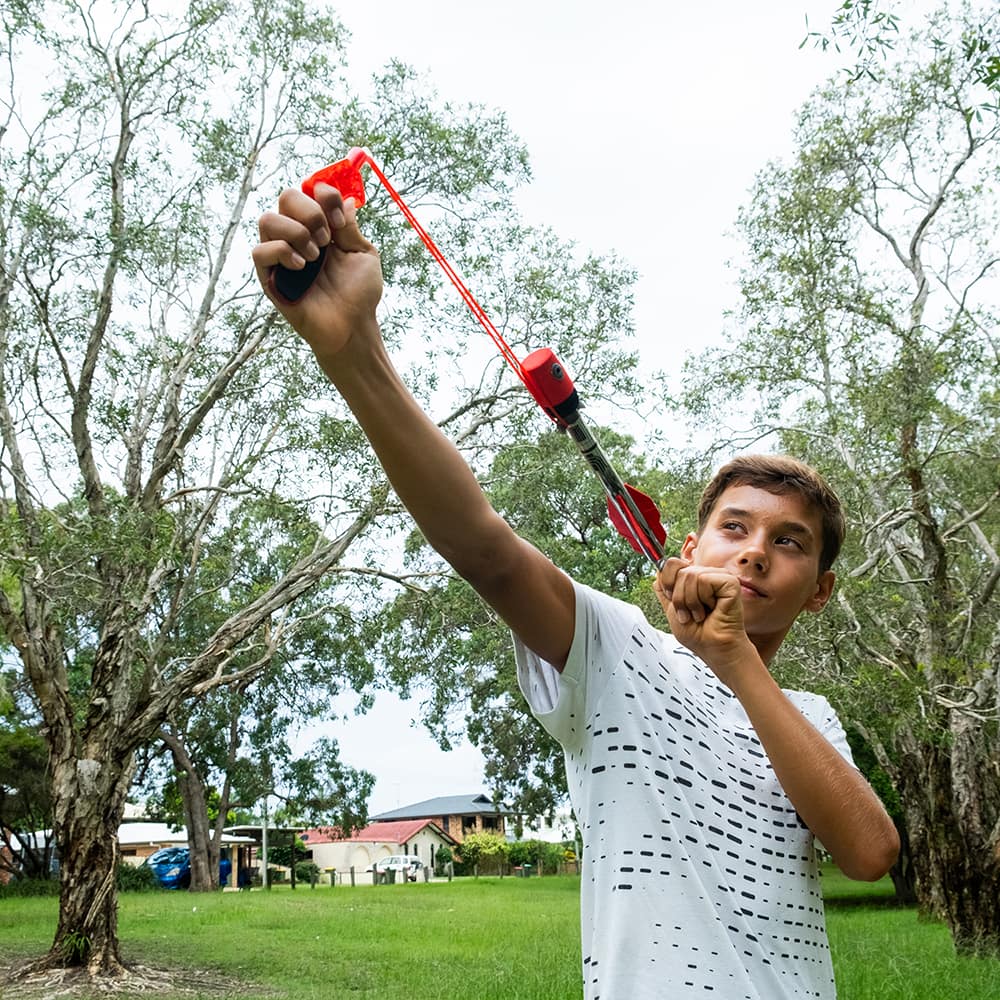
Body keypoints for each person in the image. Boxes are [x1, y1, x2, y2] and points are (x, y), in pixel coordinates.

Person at [253, 183, 899, 999]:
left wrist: (736, 663)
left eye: (789, 542)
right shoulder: (618, 651)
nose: (756, 552)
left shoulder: (815, 722)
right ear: (691, 545)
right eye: (735, 528)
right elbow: (482, 547)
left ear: (819, 590)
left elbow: (870, 854)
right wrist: (355, 353)